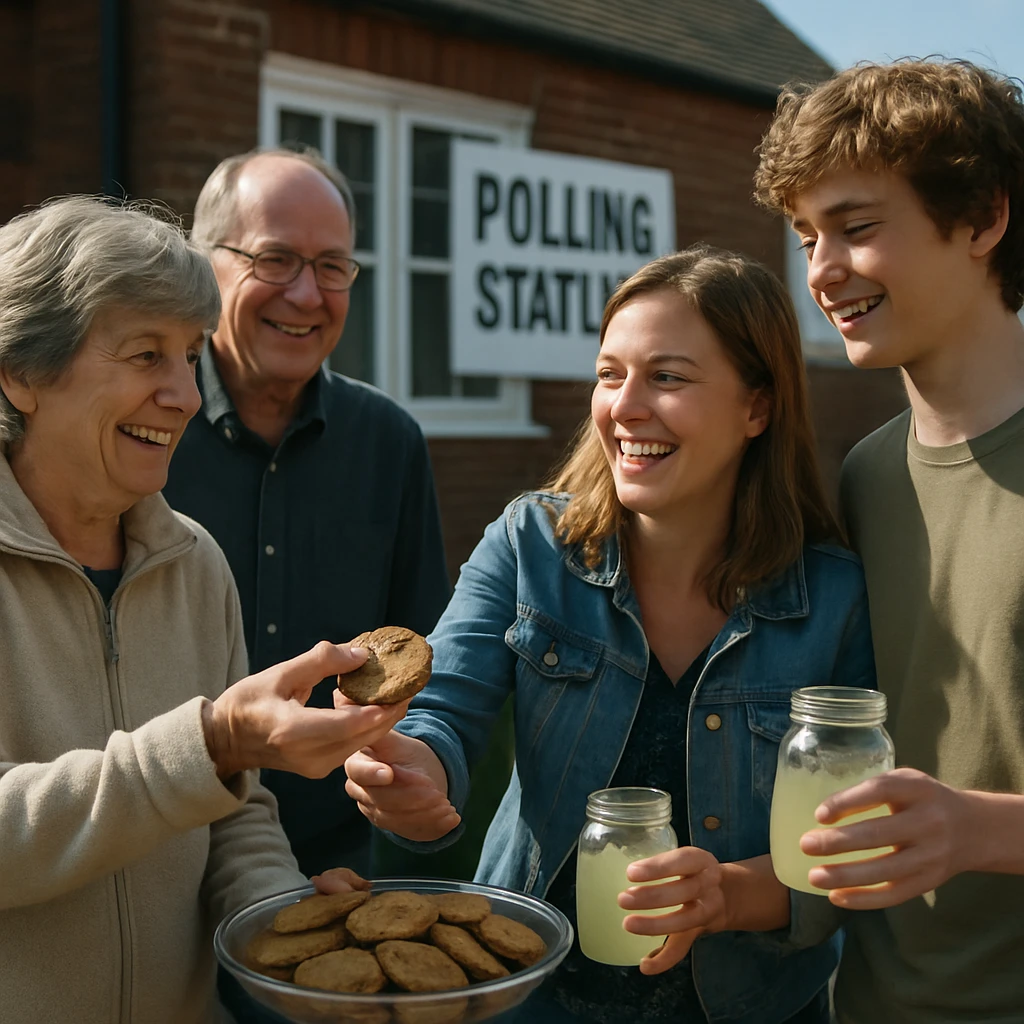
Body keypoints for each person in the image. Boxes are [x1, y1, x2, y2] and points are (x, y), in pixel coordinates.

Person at [343, 246, 877, 1023]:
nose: (625, 406)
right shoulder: (529, 544)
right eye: (609, 373)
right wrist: (409, 771)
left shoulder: (832, 598)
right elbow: (445, 712)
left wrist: (726, 895)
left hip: (756, 1005)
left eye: (667, 377)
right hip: (534, 993)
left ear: (757, 407)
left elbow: (852, 849)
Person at [0, 195, 408, 1024]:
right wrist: (214, 738)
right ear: (23, 373)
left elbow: (233, 814)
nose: (184, 395)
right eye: (146, 354)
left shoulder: (195, 563)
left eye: (189, 356)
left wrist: (290, 926)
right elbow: (196, 766)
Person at [750, 59, 1024, 1023]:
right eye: (807, 235)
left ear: (984, 216)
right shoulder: (867, 474)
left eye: (859, 227)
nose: (821, 270)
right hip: (869, 1001)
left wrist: (982, 829)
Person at [163, 147, 452, 880]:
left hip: (341, 860)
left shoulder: (389, 443)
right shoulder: (147, 428)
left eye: (332, 267)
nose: (307, 294)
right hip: (157, 849)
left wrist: (415, 772)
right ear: (206, 267)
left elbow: (423, 656)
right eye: (276, 260)